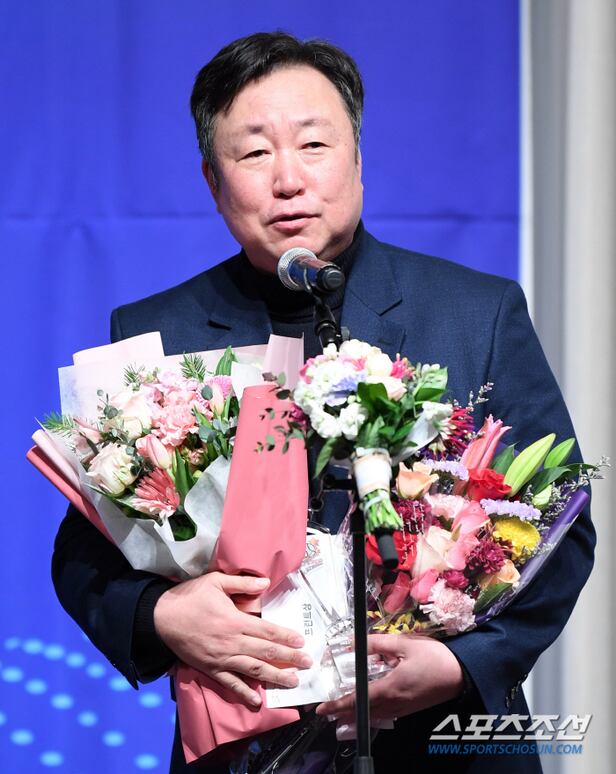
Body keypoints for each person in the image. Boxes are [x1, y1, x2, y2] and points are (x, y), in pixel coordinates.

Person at [52, 32, 595, 773]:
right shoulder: (158, 336)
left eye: (313, 144)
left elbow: (562, 525)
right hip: (243, 746)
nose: (288, 180)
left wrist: (462, 664)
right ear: (213, 181)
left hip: (442, 745)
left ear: (358, 160)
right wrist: (162, 614)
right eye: (254, 153)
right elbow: (86, 554)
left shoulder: (474, 314)